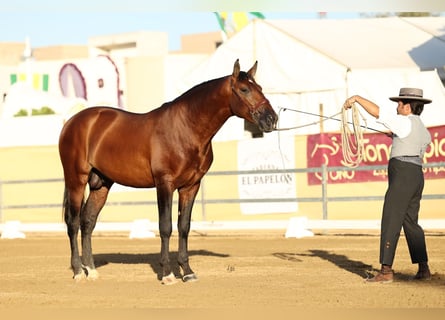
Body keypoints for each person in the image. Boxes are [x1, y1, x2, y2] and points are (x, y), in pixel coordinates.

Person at [343, 88, 432, 283]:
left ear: (408, 107)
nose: (397, 107)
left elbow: (377, 112)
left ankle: (386, 271)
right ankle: (423, 268)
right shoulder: (423, 129)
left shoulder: (403, 121)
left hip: (402, 174)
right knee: (411, 222)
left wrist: (357, 98)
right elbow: (410, 140)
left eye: (399, 104)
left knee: (391, 218)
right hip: (416, 175)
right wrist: (396, 137)